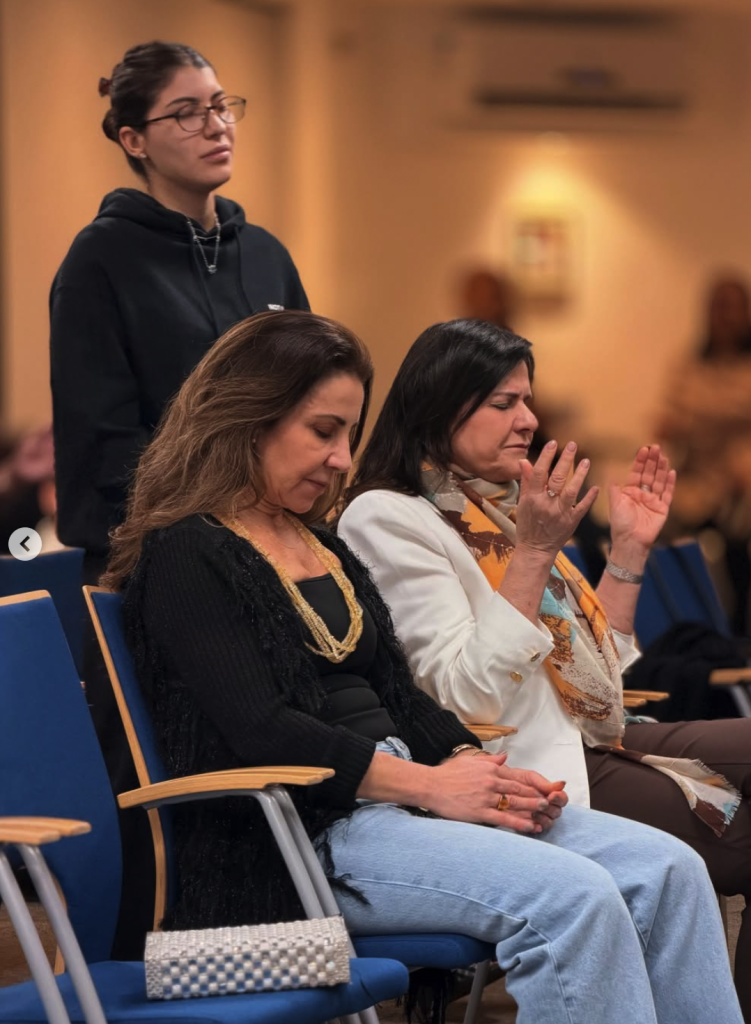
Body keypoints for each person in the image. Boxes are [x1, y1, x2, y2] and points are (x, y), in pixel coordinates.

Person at [103, 309, 742, 1024]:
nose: (342, 458)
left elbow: (402, 698)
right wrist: (434, 785)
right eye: (323, 431)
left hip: (403, 801)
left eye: (350, 433)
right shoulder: (186, 553)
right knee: (578, 899)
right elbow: (265, 730)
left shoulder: (321, 546)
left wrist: (477, 770)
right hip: (305, 833)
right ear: (249, 420)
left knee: (670, 871)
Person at [338, 317, 751, 1018]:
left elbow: (596, 669)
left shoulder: (495, 507)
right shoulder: (387, 516)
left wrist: (628, 551)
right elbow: (459, 695)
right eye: (503, 402)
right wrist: (533, 552)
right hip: (520, 761)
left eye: (526, 400)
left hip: (591, 736)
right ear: (441, 405)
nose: (528, 419)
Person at [49, 41, 309, 953]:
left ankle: (293, 947)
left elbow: (313, 405)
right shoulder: (100, 261)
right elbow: (103, 443)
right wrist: (206, 527)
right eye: (187, 111)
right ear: (133, 139)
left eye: (222, 104)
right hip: (158, 563)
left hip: (273, 553)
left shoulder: (265, 256)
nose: (216, 124)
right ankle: (153, 964)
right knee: (173, 778)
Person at [657, 274, 751, 635]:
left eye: (732, 307)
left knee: (736, 542)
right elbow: (674, 415)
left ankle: (738, 629)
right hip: (697, 477)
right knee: (658, 526)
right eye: (718, 307)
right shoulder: (689, 364)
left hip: (740, 478)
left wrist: (702, 419)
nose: (724, 316)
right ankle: (687, 628)